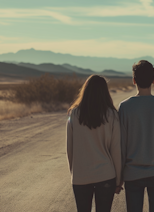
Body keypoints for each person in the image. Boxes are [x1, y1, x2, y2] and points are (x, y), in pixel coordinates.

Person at [118, 60, 154, 212]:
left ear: (133, 80)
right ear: (153, 80)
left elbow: (121, 145)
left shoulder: (125, 107)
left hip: (132, 173)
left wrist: (120, 174)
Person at [67, 75, 123, 212]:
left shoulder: (74, 114)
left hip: (81, 176)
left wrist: (75, 173)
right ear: (105, 92)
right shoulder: (112, 115)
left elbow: (70, 149)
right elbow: (116, 150)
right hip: (105, 175)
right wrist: (118, 180)